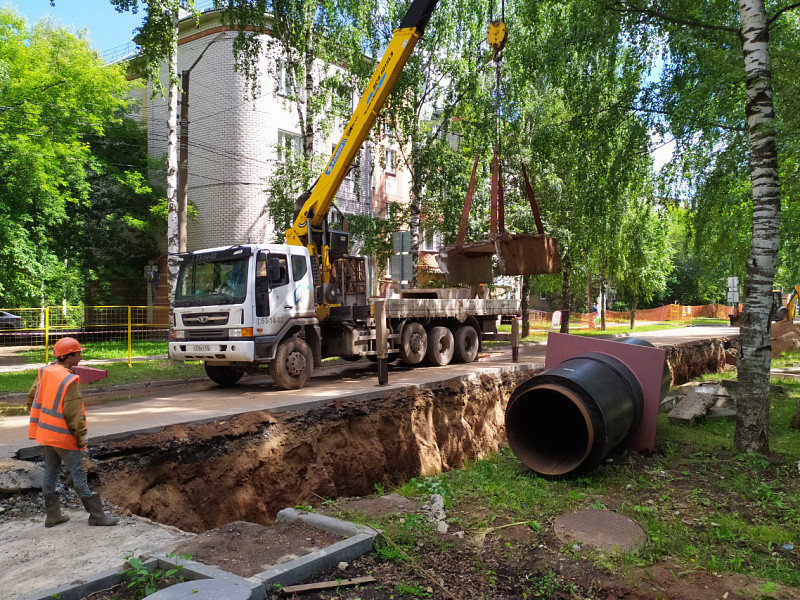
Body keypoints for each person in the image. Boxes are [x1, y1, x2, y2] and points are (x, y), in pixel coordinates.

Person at [27, 337, 118, 527]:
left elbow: (31, 398)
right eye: (78, 353)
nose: (80, 356)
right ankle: (97, 516)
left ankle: (52, 516)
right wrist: (80, 435)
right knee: (78, 475)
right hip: (64, 436)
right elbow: (74, 413)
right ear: (68, 357)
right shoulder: (69, 380)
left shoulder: (46, 372)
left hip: (47, 435)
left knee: (50, 473)